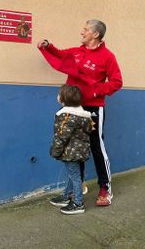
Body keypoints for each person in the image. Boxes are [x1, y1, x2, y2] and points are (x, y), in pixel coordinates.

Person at [37, 19, 123, 206]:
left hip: (93, 108)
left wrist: (95, 91)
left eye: (85, 30)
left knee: (96, 147)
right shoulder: (77, 52)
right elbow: (59, 55)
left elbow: (117, 82)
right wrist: (48, 46)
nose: (81, 32)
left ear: (96, 34)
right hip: (74, 108)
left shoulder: (108, 56)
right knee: (74, 148)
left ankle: (105, 189)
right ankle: (75, 189)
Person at [49, 84, 94, 215]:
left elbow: (61, 137)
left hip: (70, 153)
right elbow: (88, 131)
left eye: (59, 94)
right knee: (73, 175)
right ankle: (66, 196)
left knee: (75, 177)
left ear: (63, 99)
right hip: (81, 151)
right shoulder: (84, 116)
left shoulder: (66, 116)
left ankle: (78, 203)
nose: (57, 96)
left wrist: (55, 151)